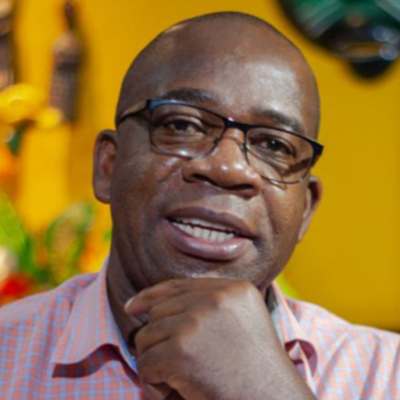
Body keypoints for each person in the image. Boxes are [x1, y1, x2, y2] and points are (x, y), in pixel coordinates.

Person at [0, 11, 399, 400]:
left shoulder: (386, 375)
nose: (228, 168)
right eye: (183, 125)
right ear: (109, 165)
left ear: (306, 210)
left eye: (273, 145)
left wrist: (265, 389)